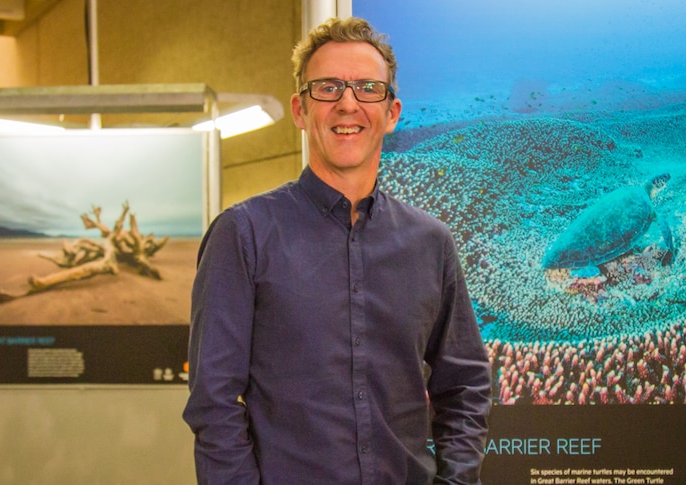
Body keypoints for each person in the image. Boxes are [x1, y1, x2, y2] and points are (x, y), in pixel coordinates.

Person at [183, 16, 491, 485]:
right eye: (327, 88)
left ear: (391, 112)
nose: (348, 104)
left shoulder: (431, 244)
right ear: (300, 110)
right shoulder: (242, 235)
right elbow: (214, 402)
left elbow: (465, 386)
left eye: (368, 88)